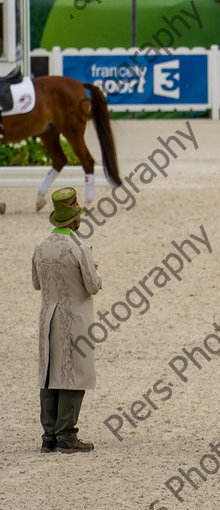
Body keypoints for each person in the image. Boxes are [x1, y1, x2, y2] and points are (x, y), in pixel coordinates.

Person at [32, 188, 101, 453]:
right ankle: (67, 434)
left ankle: (48, 434)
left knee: (49, 371)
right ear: (74, 219)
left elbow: (36, 283)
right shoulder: (79, 247)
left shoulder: (40, 246)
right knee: (74, 372)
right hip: (75, 315)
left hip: (47, 313)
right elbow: (92, 286)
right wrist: (97, 271)